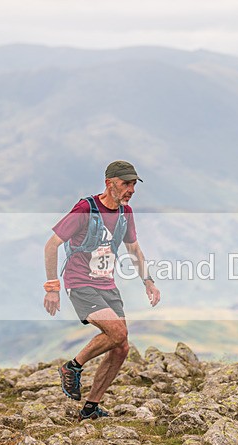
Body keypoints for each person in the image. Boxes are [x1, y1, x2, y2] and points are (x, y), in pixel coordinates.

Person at [44, 160, 161, 420]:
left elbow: (134, 250)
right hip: (80, 282)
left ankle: (90, 408)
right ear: (110, 183)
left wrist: (148, 281)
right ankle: (72, 367)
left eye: (133, 184)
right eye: (125, 183)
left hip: (107, 284)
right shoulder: (86, 208)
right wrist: (52, 287)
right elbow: (52, 245)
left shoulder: (125, 213)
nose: (131, 189)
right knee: (117, 331)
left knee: (121, 347)